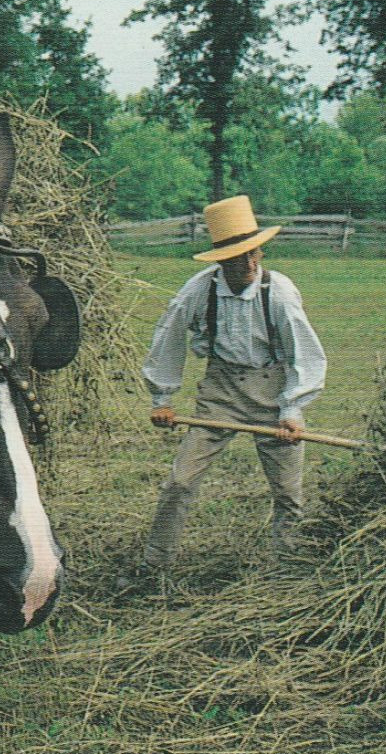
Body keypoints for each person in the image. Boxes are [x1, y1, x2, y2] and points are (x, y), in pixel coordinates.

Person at [119, 195, 327, 592]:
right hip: (221, 391)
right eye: (237, 258)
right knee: (180, 482)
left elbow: (306, 353)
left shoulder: (278, 292)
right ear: (220, 261)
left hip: (274, 390)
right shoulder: (198, 292)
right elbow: (167, 339)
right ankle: (153, 569)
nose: (249, 265)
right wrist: (162, 400)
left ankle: (289, 570)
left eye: (254, 255)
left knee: (288, 493)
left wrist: (293, 410)